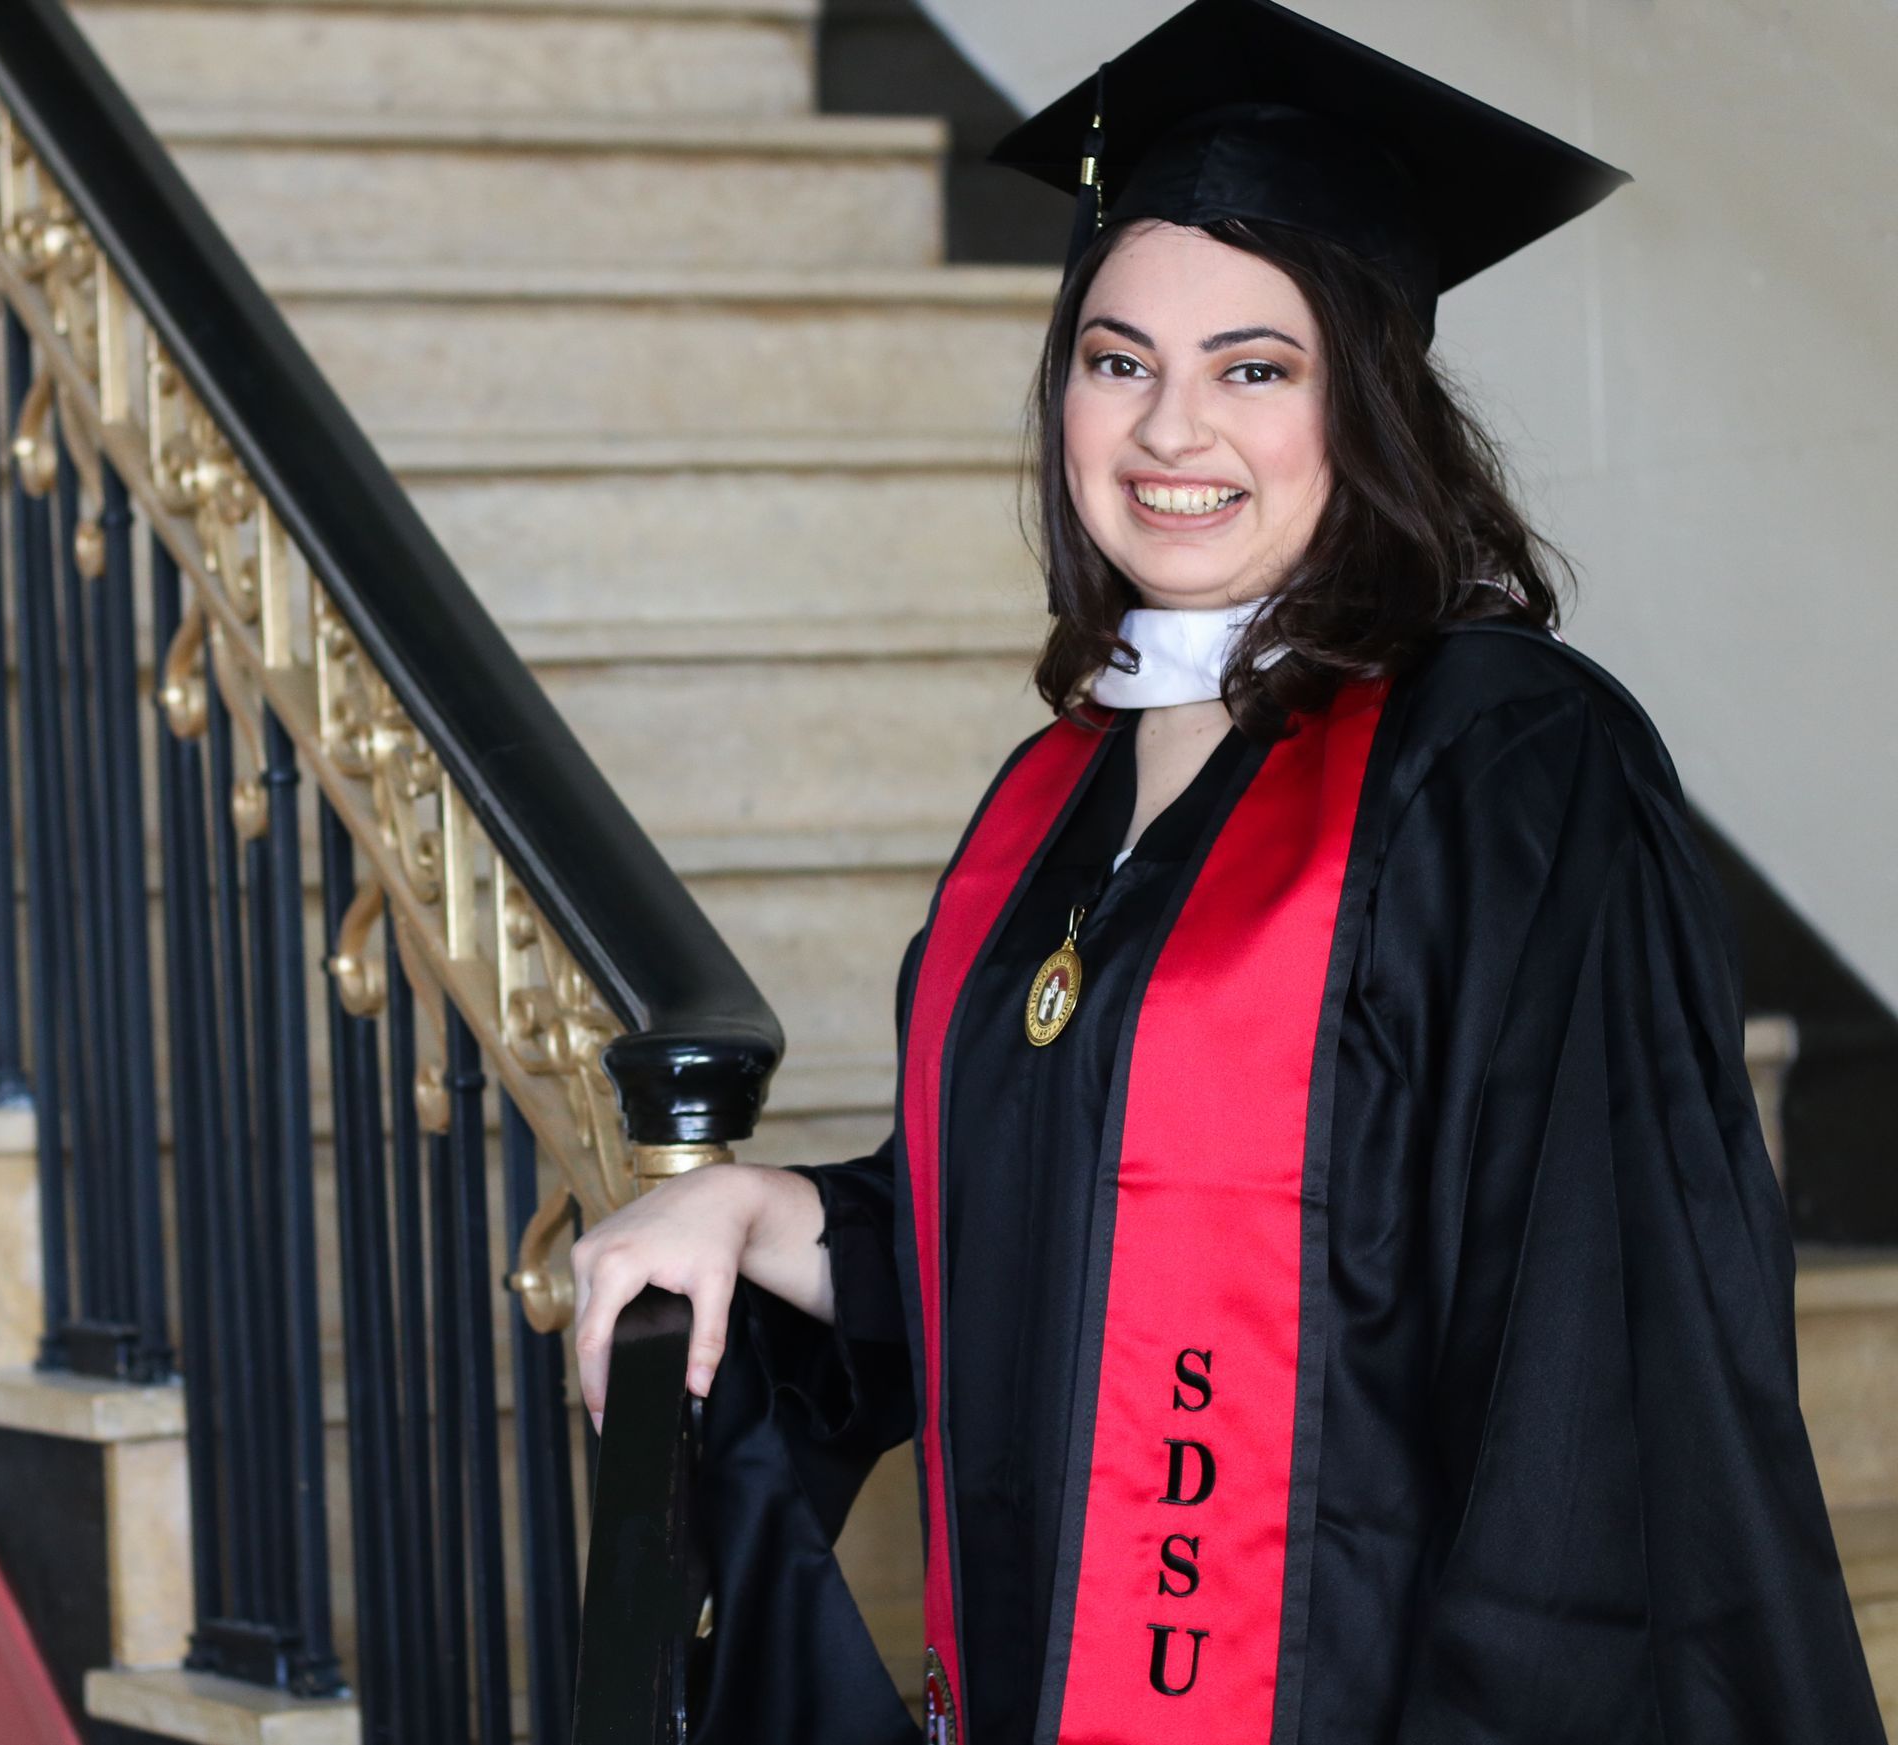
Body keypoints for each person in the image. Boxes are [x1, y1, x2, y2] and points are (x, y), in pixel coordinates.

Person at [570, 2, 1889, 1740]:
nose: (1171, 429)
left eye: (1252, 368)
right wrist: (792, 1215)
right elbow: (1065, 1235)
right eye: (1120, 360)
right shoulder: (1057, 790)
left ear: (1370, 400)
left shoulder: (1504, 764)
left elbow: (1594, 1379)